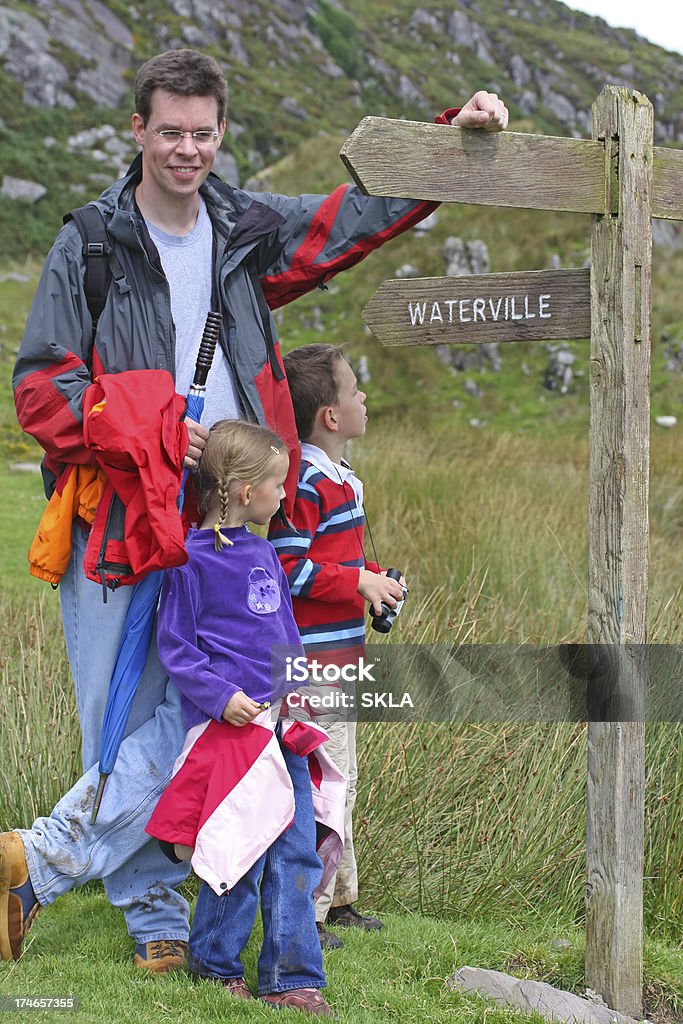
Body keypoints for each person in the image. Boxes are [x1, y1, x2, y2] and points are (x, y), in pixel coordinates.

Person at [3, 45, 508, 971]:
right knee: (125, 718)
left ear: (220, 132)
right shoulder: (92, 242)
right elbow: (40, 391)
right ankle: (153, 913)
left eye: (201, 134)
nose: (185, 150)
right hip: (118, 523)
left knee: (204, 716)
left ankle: (35, 861)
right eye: (168, 133)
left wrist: (448, 142)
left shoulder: (243, 228)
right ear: (138, 130)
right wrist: (149, 426)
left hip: (234, 532)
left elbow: (345, 221)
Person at [144, 419, 342, 1015]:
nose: (285, 496)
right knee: (241, 849)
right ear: (239, 490)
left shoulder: (263, 553)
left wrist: (298, 690)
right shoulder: (188, 561)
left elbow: (285, 635)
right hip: (230, 735)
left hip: (282, 729)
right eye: (277, 485)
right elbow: (177, 647)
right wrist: (219, 696)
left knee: (296, 849)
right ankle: (214, 960)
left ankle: (293, 976)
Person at [268, 343, 404, 949]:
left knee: (341, 779)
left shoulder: (343, 480)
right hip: (313, 667)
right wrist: (357, 581)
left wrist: (376, 581)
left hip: (344, 660)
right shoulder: (304, 484)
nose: (364, 398)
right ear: (329, 414)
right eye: (355, 390)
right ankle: (311, 916)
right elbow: (286, 565)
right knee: (326, 784)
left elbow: (344, 558)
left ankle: (339, 897)